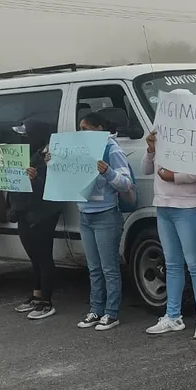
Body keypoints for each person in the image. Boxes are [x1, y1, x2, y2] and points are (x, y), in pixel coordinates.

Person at [143, 96, 196, 339]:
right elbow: (146, 169)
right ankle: (173, 316)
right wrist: (151, 150)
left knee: (195, 263)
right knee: (172, 263)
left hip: (191, 206)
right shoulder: (161, 134)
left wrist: (177, 177)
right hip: (163, 205)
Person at [72, 110, 133, 331]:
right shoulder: (79, 150)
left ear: (99, 130)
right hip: (85, 215)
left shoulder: (111, 149)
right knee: (94, 268)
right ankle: (96, 309)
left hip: (106, 215)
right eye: (80, 129)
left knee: (109, 268)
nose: (82, 133)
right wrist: (53, 163)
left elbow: (126, 183)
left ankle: (111, 312)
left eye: (86, 128)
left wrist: (107, 172)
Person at [10, 118, 62, 320]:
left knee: (43, 256)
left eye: (26, 134)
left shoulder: (50, 157)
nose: (22, 138)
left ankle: (46, 301)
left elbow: (53, 187)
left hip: (42, 212)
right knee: (34, 257)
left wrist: (36, 178)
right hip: (24, 211)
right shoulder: (28, 155)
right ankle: (36, 294)